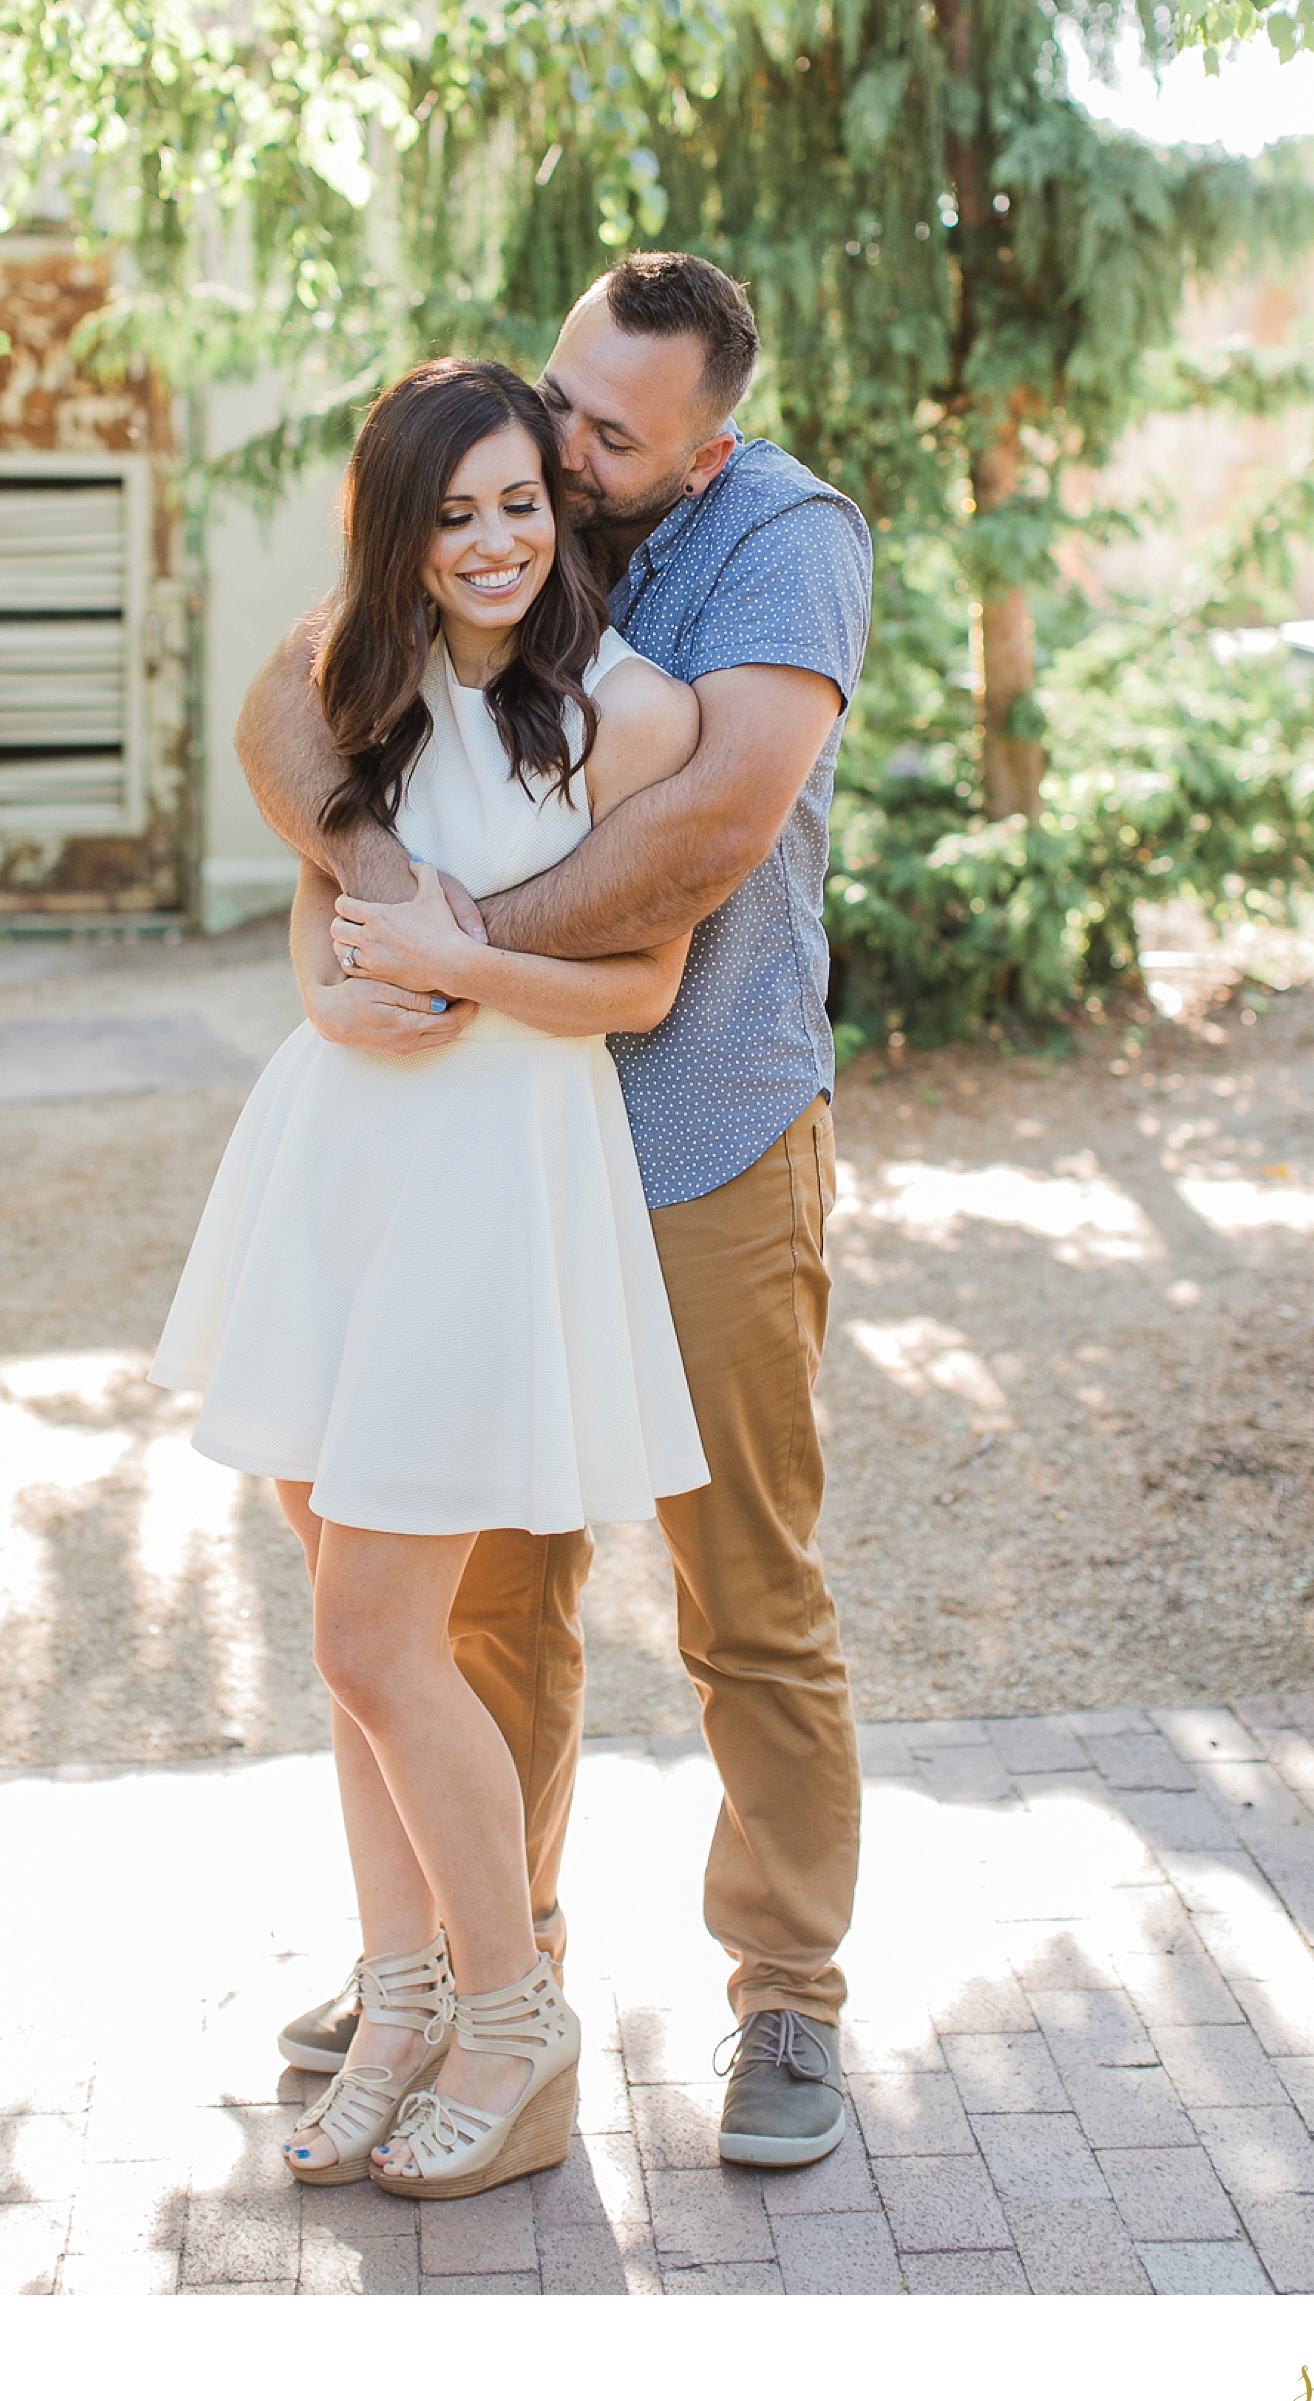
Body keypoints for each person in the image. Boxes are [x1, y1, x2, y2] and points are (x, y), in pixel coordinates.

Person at [237, 251, 873, 2170]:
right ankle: (471, 1961)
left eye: (606, 429)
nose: (567, 440)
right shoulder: (498, 492)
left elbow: (712, 826)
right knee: (478, 1598)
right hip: (478, 1158)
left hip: (694, 1136)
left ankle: (787, 1996)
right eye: (564, 395)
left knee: (737, 1589)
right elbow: (296, 704)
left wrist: (462, 941)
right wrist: (358, 892)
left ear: (706, 446)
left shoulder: (780, 539)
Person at [151, 357, 710, 2200]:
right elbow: (330, 874)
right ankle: (399, 1999)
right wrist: (330, 976)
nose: (493, 540)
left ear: (562, 513)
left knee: (375, 1632)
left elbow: (637, 985)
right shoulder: (358, 675)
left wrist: (465, 970)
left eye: (521, 504)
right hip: (340, 1150)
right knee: (353, 1635)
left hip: (494, 1169)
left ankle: (513, 2009)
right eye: (454, 511)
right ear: (400, 529)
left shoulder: (630, 715)